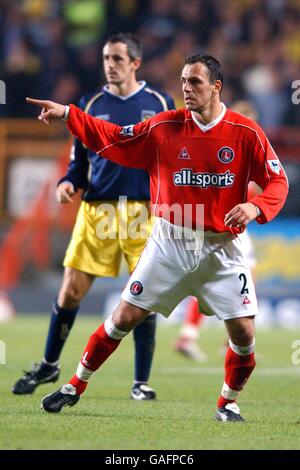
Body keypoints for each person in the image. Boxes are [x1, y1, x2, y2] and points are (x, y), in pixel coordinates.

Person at [27, 54, 288, 421]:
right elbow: (115, 138)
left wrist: (256, 207)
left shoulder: (246, 132)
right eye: (183, 80)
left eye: (195, 82)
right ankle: (74, 385)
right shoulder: (164, 126)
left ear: (216, 87)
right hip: (169, 242)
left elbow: (278, 180)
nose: (186, 87)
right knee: (123, 318)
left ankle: (228, 402)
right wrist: (70, 115)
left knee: (244, 334)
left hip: (220, 247)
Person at [12, 33, 175, 401]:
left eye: (117, 58)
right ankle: (50, 364)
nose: (109, 64)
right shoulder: (90, 103)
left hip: (142, 211)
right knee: (69, 291)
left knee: (142, 297)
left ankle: (140, 382)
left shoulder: (160, 102)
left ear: (135, 63)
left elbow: (170, 157)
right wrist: (68, 183)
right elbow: (78, 163)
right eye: (105, 58)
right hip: (97, 209)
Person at [174, 101, 260, 362]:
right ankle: (230, 341)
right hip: (227, 228)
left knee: (208, 279)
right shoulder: (240, 147)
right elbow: (247, 192)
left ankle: (190, 335)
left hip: (216, 225)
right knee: (245, 278)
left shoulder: (225, 145)